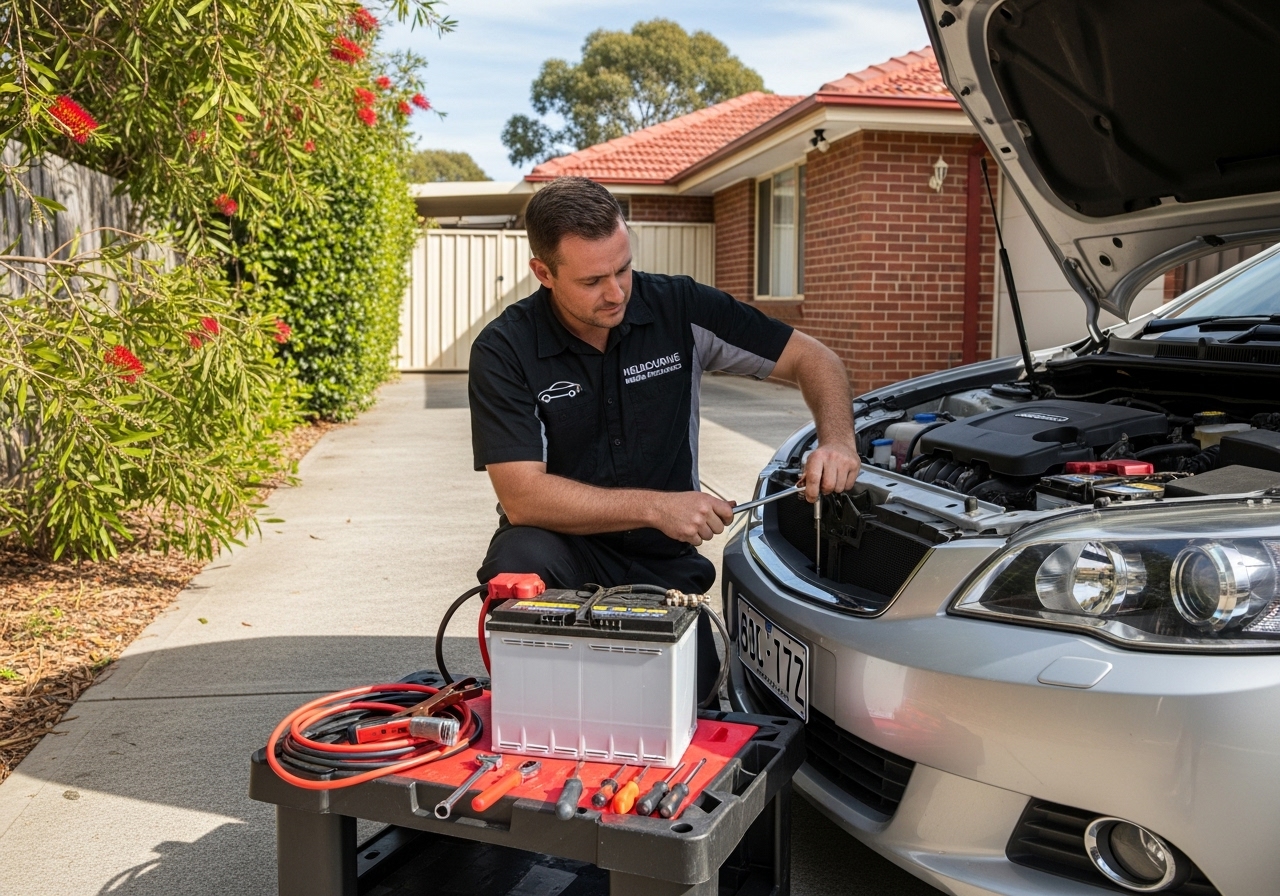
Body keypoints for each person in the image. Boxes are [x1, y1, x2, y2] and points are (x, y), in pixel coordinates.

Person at [469, 176, 860, 701]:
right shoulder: (505, 349)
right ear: (543, 273)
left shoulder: (680, 308)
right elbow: (521, 497)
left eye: (623, 268)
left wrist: (836, 440)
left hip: (665, 569)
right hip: (560, 551)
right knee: (518, 563)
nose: (615, 293)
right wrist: (658, 506)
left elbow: (816, 359)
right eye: (591, 281)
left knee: (694, 707)